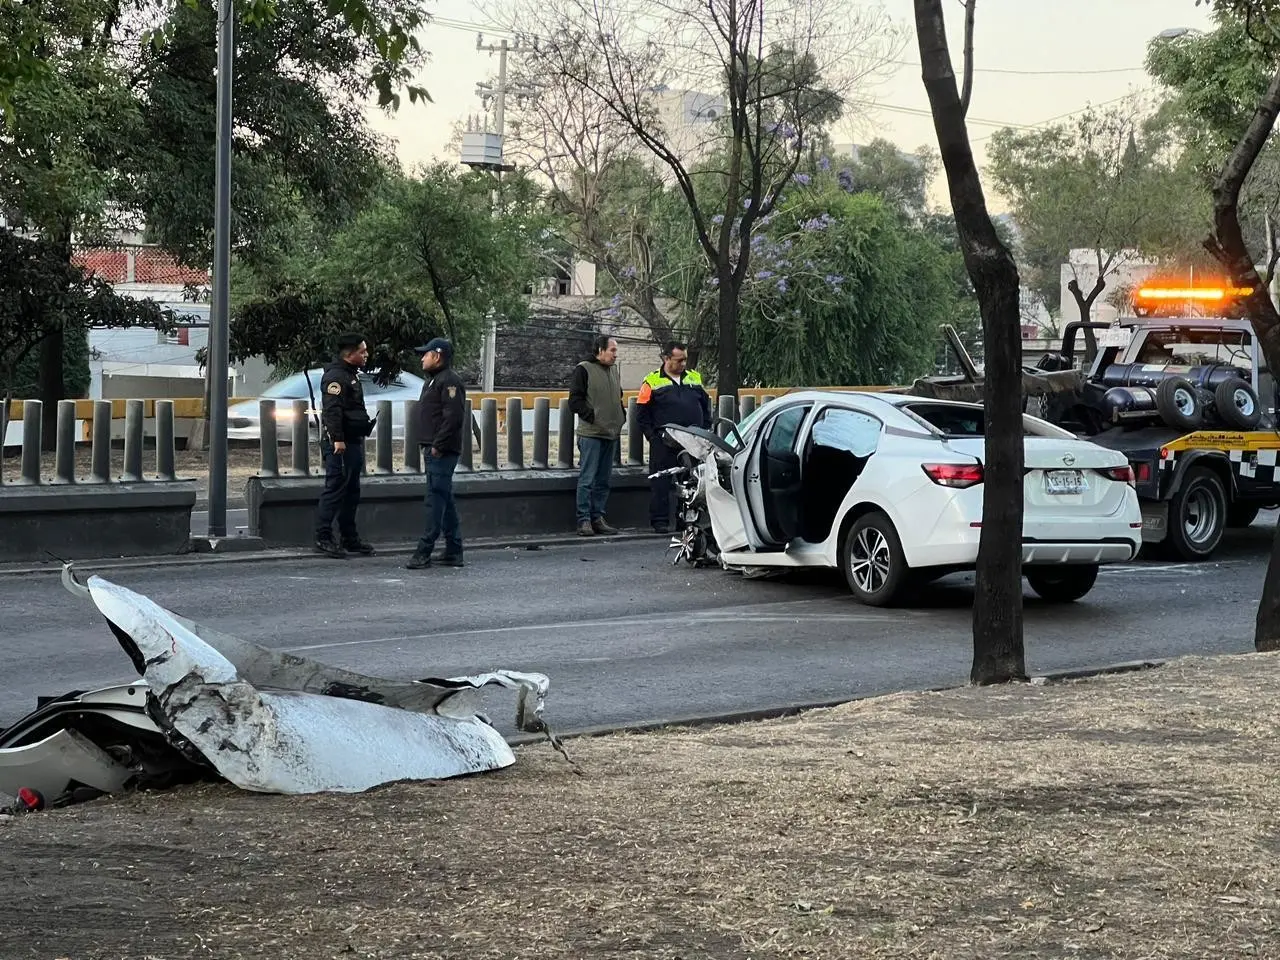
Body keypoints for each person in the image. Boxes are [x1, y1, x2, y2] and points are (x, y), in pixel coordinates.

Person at [636, 341, 712, 532]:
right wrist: (652, 437)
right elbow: (642, 413)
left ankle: (685, 520)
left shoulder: (694, 378)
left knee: (690, 482)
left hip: (692, 440)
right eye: (679, 360)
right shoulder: (651, 381)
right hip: (664, 441)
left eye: (685, 360)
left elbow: (705, 405)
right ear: (666, 358)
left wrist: (705, 429)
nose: (683, 364)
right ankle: (660, 521)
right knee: (661, 482)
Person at [406, 337, 466, 570]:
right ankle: (453, 549)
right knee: (443, 498)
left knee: (435, 500)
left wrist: (438, 445)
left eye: (426, 354)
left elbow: (453, 418)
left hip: (442, 451)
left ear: (437, 356)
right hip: (434, 448)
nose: (422, 358)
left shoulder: (449, 381)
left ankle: (424, 549)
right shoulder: (434, 381)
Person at [314, 332, 376, 558]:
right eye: (362, 351)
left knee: (352, 492)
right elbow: (332, 410)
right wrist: (337, 439)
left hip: (352, 441)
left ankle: (350, 538)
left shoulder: (350, 374)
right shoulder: (336, 377)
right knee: (335, 489)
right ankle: (323, 536)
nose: (366, 354)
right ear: (350, 354)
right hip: (340, 444)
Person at [568, 335, 626, 536]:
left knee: (603, 479)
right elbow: (574, 401)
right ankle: (583, 519)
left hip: (610, 432)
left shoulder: (613, 371)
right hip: (591, 433)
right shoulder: (583, 369)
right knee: (588, 478)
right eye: (612, 350)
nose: (615, 355)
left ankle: (597, 517)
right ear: (600, 350)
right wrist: (592, 416)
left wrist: (620, 416)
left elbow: (617, 396)